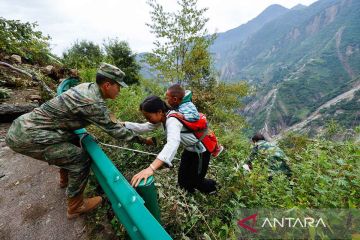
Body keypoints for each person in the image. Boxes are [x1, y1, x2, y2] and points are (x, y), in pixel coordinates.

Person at [5, 63, 143, 219]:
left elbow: (107, 119)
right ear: (107, 85)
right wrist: (141, 140)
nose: (120, 90)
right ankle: (75, 206)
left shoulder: (88, 87)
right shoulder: (94, 103)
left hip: (24, 125)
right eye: (118, 86)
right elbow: (114, 130)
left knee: (71, 140)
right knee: (80, 159)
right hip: (28, 136)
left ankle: (65, 181)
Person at [127, 95, 218, 194]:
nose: (147, 119)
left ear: (159, 112)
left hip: (201, 152)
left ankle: (214, 188)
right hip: (189, 149)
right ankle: (188, 194)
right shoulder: (163, 117)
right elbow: (145, 127)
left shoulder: (172, 121)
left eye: (148, 117)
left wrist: (151, 168)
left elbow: (173, 143)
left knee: (196, 181)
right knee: (182, 180)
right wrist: (124, 124)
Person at [165, 83, 224, 157]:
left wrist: (184, 117)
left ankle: (217, 148)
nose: (166, 100)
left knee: (210, 138)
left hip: (201, 148)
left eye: (167, 98)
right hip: (193, 147)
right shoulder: (181, 104)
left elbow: (195, 116)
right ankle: (217, 148)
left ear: (175, 99)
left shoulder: (186, 105)